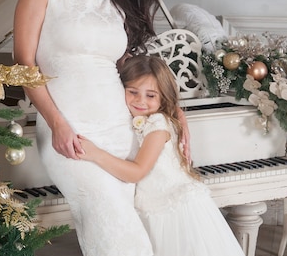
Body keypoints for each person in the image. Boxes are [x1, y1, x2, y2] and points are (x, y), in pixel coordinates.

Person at [13, 0, 189, 256]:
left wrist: (174, 108)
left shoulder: (116, 6)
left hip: (119, 133)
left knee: (115, 236)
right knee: (123, 239)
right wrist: (58, 125)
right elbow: (24, 65)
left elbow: (130, 71)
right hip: (71, 133)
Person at [78, 55, 245, 256]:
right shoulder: (143, 118)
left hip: (173, 213)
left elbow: (137, 172)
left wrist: (96, 154)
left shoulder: (157, 125)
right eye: (132, 92)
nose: (140, 101)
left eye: (150, 95)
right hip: (155, 209)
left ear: (163, 97)